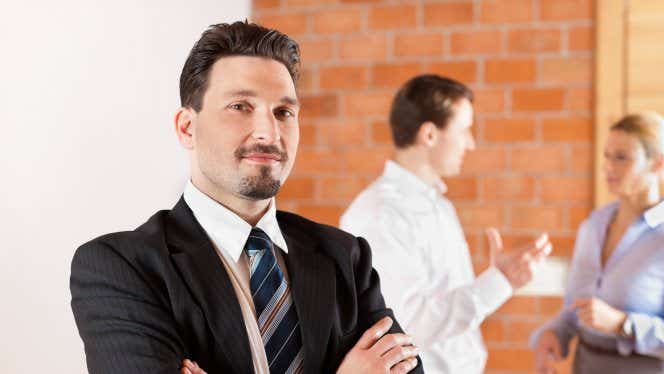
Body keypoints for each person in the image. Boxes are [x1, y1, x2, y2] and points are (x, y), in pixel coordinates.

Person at [70, 21, 423, 374]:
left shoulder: (344, 258)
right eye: (240, 106)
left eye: (284, 112)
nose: (269, 132)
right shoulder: (123, 268)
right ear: (187, 128)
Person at [339, 74, 552, 374]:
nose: (471, 143)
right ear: (429, 135)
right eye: (464, 130)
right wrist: (499, 282)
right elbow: (409, 324)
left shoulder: (440, 206)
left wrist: (498, 279)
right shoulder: (379, 214)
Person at [531, 112, 664, 373]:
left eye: (621, 158)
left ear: (658, 164)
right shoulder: (592, 227)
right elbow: (575, 309)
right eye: (606, 156)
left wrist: (624, 324)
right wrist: (553, 334)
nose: (608, 167)